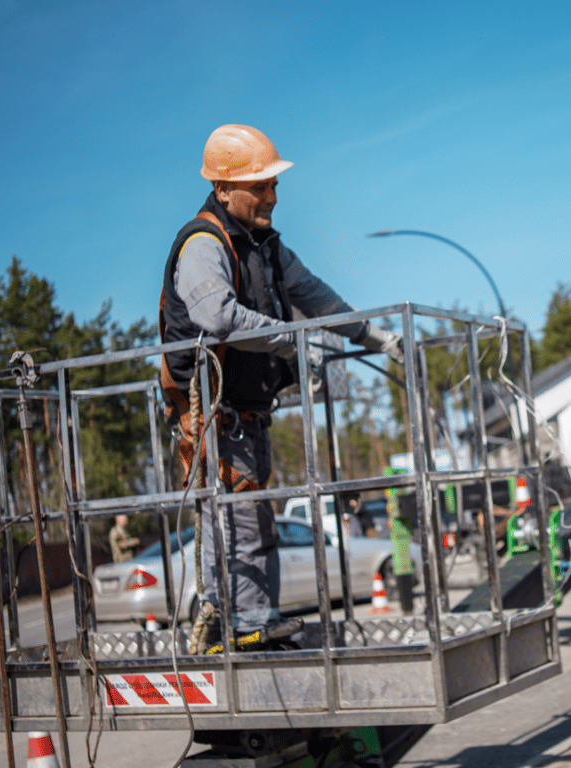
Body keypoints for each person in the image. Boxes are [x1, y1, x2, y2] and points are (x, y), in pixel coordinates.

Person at [158, 124, 403, 650]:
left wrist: (372, 335)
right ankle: (239, 625)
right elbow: (217, 317)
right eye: (258, 186)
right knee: (238, 525)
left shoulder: (265, 246)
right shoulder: (205, 244)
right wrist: (290, 342)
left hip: (248, 414)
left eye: (272, 184)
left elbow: (314, 296)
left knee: (254, 525)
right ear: (223, 189)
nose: (271, 196)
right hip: (213, 418)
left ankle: (250, 625)